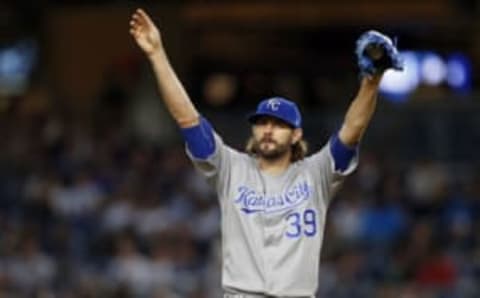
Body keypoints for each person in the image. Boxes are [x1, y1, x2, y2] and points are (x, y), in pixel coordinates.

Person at [129, 8, 403, 298]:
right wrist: (157, 55)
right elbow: (187, 119)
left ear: (296, 134)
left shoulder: (317, 172)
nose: (268, 130)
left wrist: (371, 83)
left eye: (279, 125)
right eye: (262, 123)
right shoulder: (230, 168)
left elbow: (352, 130)